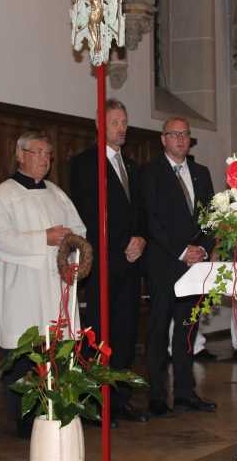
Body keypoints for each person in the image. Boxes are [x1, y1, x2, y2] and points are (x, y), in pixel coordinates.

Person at [0, 130, 86, 436]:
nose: (45, 159)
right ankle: (25, 420)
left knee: (56, 349)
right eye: (38, 152)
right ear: (20, 155)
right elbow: (1, 238)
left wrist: (70, 243)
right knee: (25, 351)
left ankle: (55, 410)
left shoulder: (56, 193)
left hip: (55, 282)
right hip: (23, 285)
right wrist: (44, 238)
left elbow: (79, 229)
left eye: (48, 154)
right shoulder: (4, 193)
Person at [68, 99, 148, 424]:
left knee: (126, 333)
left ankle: (120, 400)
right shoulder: (84, 164)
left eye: (124, 122)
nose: (122, 128)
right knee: (100, 334)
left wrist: (140, 238)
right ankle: (95, 403)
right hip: (103, 262)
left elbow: (139, 210)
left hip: (131, 262)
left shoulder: (131, 165)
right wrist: (119, 246)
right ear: (100, 124)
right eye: (115, 122)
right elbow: (88, 214)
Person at [140, 117, 217, 416]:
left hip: (195, 265)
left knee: (187, 330)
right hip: (164, 264)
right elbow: (151, 220)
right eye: (174, 134)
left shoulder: (201, 172)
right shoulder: (150, 172)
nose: (181, 140)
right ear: (163, 139)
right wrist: (182, 251)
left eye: (185, 134)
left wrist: (203, 248)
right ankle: (157, 396)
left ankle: (185, 393)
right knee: (158, 331)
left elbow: (211, 218)